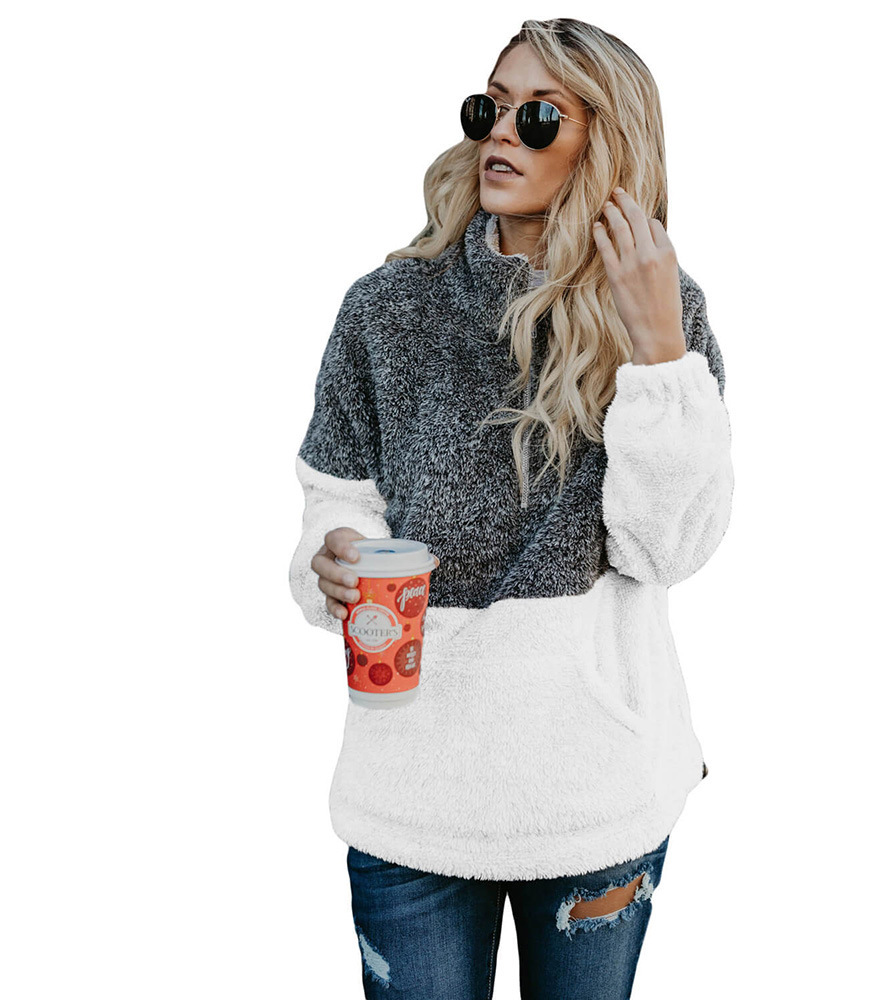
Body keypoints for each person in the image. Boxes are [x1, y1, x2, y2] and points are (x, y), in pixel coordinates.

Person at [288, 17, 734, 1000]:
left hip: (594, 787)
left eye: (538, 116)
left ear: (604, 140)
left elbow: (665, 549)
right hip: (413, 783)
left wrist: (660, 353)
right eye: (487, 108)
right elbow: (335, 502)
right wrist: (335, 552)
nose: (499, 133)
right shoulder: (387, 307)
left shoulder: (666, 308)